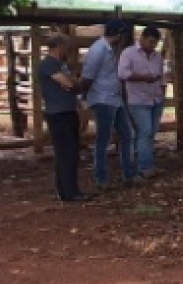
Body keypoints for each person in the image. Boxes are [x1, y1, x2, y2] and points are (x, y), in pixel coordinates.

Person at [79, 19, 137, 189]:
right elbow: (88, 77)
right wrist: (83, 98)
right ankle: (101, 178)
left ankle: (128, 174)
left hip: (114, 99)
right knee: (103, 140)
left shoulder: (108, 49)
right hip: (103, 99)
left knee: (127, 135)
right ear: (119, 34)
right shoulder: (98, 50)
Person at [37, 33, 92, 202]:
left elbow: (70, 84)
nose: (68, 50)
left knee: (70, 152)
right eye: (66, 46)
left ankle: (66, 189)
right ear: (58, 47)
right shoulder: (48, 64)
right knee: (67, 153)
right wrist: (77, 84)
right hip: (58, 114)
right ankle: (70, 192)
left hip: (67, 111)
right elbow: (69, 83)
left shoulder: (61, 64)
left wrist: (74, 87)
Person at [118, 25, 167, 179]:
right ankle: (144, 167)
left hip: (156, 99)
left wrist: (162, 92)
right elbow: (122, 73)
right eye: (151, 42)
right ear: (142, 38)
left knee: (150, 133)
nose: (152, 46)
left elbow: (162, 77)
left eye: (155, 43)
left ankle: (146, 164)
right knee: (145, 132)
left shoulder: (157, 57)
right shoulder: (129, 53)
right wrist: (144, 78)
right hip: (138, 99)